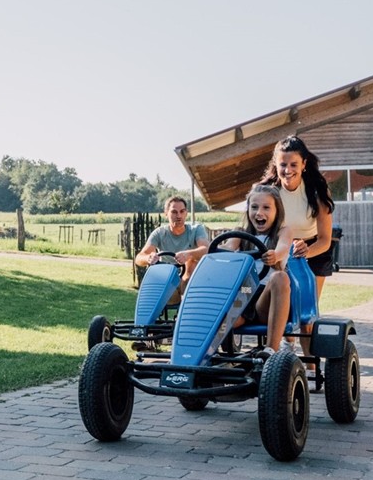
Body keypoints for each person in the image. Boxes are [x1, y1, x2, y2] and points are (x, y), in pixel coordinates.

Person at [261, 134, 335, 356]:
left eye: (293, 164)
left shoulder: (317, 190)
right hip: (280, 249)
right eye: (283, 164)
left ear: (304, 164)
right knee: (285, 310)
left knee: (305, 317)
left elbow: (325, 239)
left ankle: (311, 368)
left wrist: (306, 251)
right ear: (276, 164)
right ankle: (286, 347)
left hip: (313, 249)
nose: (288, 170)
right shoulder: (268, 190)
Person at [221, 184, 293, 355]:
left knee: (280, 277)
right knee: (220, 308)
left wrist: (275, 255)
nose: (259, 212)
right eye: (254, 207)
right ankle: (206, 354)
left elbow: (283, 247)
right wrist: (210, 251)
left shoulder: (283, 231)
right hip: (245, 294)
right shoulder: (240, 233)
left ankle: (271, 350)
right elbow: (228, 247)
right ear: (248, 210)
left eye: (266, 207)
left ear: (277, 211)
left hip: (267, 298)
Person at [135, 196, 209, 297]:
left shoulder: (196, 229)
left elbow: (206, 249)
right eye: (174, 212)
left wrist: (188, 254)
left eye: (182, 211)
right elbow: (139, 258)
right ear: (166, 214)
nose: (179, 216)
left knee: (191, 263)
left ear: (186, 213)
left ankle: (186, 299)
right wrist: (149, 258)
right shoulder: (159, 233)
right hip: (168, 281)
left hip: (191, 280)